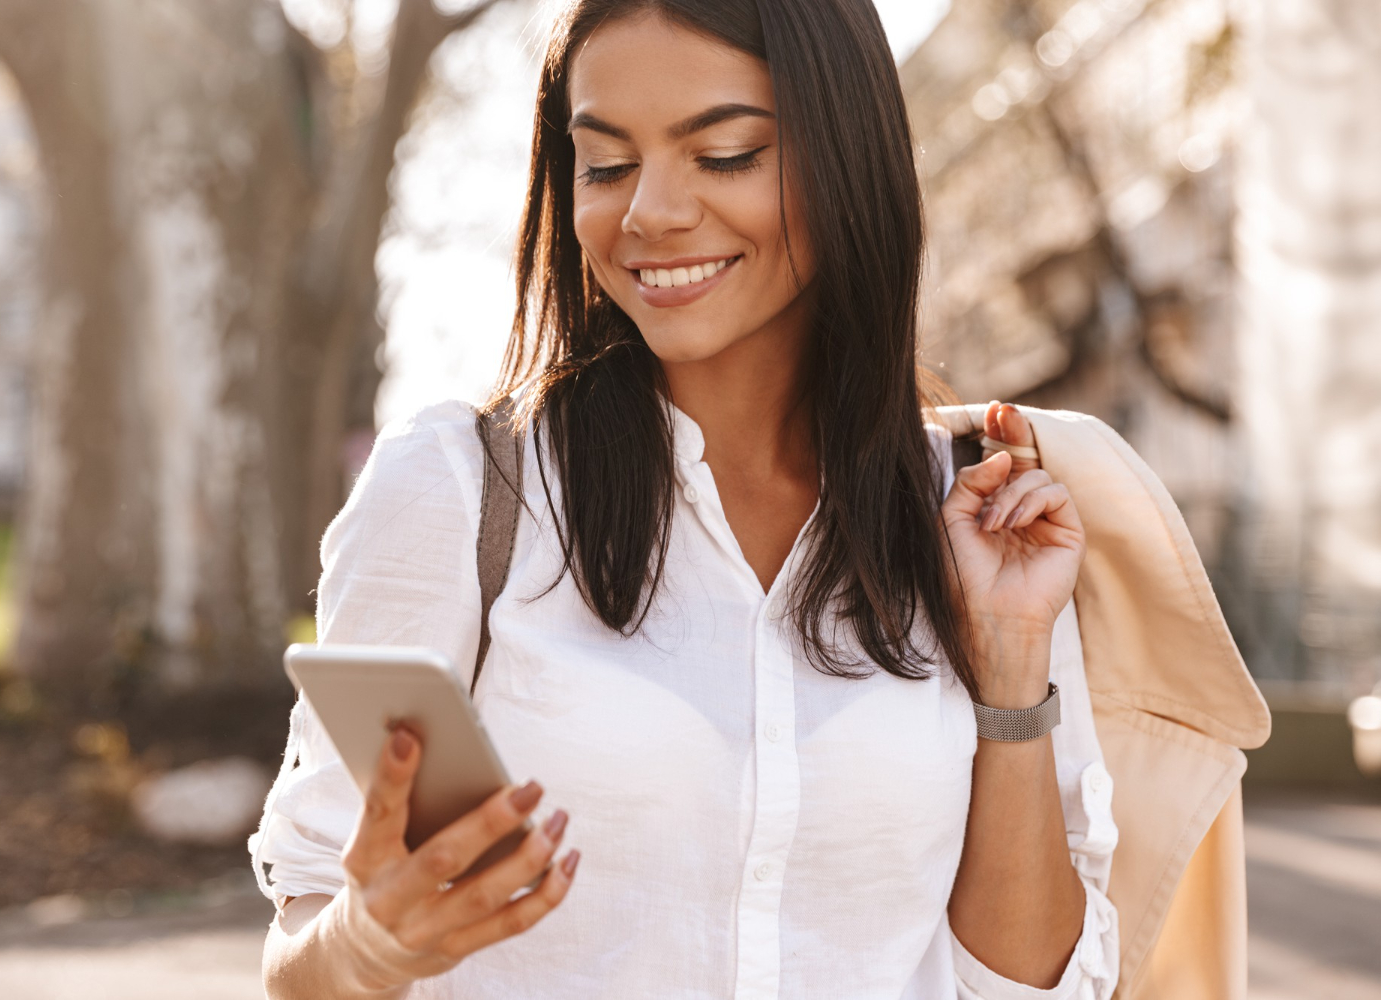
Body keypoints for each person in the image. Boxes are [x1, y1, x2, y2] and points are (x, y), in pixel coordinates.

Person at [253, 1, 1120, 997]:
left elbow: (1033, 986)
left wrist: (1011, 663)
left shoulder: (971, 514)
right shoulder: (458, 491)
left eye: (725, 155)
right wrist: (363, 948)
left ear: (848, 160)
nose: (648, 213)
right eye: (608, 165)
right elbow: (304, 948)